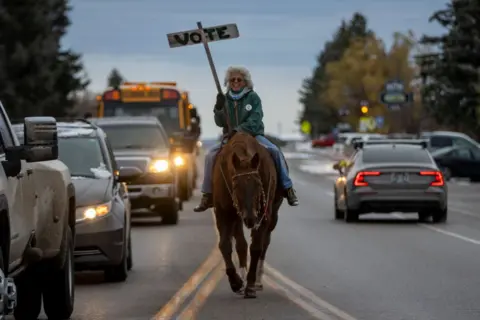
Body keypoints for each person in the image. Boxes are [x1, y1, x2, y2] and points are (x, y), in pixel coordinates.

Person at [194, 66, 299, 212]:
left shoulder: (253, 98)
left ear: (245, 82)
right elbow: (220, 122)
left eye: (239, 79)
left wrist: (239, 129)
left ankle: (287, 188)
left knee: (275, 151)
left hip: (254, 136)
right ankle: (207, 195)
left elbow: (256, 119)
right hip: (231, 139)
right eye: (232, 80)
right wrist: (218, 108)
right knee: (210, 155)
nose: (235, 82)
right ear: (228, 82)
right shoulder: (225, 99)